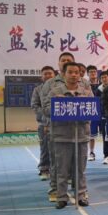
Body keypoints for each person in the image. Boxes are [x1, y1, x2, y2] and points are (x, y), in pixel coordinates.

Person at [44, 62, 92, 208]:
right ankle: (61, 197)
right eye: (70, 72)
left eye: (76, 72)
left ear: (80, 75)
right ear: (63, 74)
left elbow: (93, 111)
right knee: (62, 169)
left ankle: (81, 195)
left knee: (80, 169)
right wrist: (60, 105)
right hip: (62, 136)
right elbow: (46, 110)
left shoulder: (86, 92)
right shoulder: (55, 92)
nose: (73, 75)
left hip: (81, 136)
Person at [34, 52, 76, 202]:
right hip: (56, 129)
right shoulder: (50, 83)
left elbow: (89, 104)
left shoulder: (82, 83)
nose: (65, 62)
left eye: (69, 60)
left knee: (75, 161)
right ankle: (54, 189)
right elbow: (45, 106)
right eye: (63, 60)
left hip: (76, 129)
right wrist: (46, 123)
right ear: (58, 64)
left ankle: (78, 190)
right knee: (56, 161)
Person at [31, 65, 56, 180]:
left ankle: (59, 170)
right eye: (45, 74)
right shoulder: (37, 90)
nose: (48, 75)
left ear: (54, 75)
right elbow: (35, 105)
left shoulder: (60, 88)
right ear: (41, 77)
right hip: (44, 124)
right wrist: (46, 119)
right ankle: (44, 169)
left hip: (60, 124)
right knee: (45, 147)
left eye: (50, 73)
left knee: (61, 148)